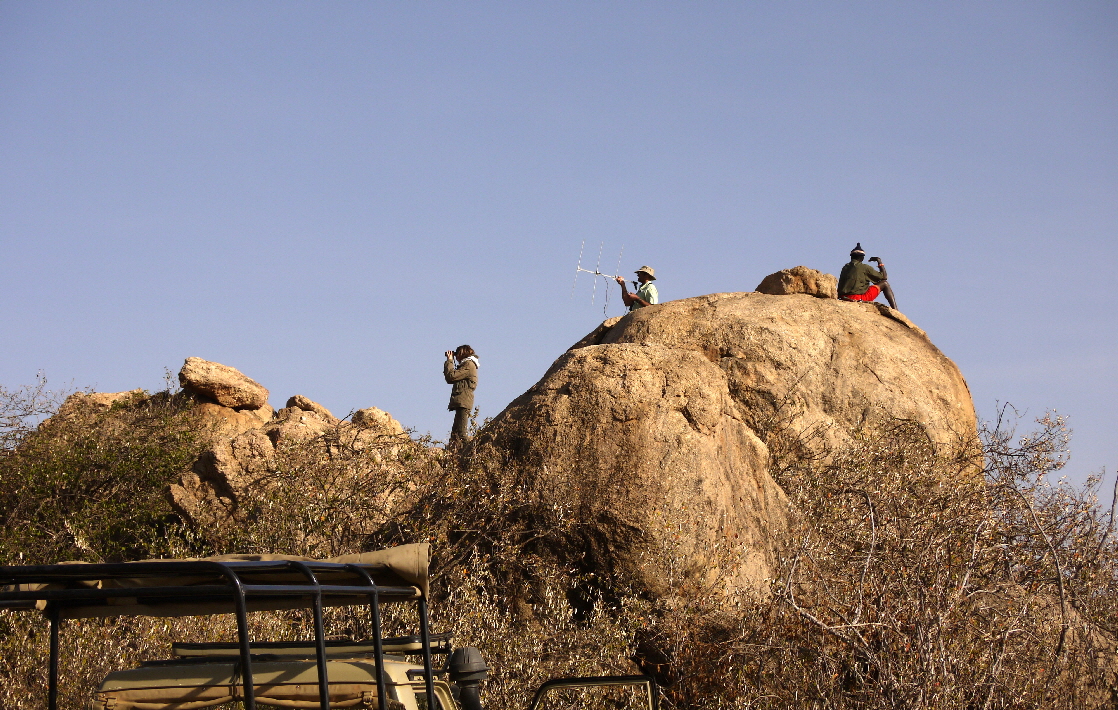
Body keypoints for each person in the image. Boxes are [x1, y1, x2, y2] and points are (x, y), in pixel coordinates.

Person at [838, 243, 897, 309]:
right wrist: (879, 262)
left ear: (851, 257)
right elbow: (884, 277)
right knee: (884, 283)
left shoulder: (845, 267)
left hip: (844, 297)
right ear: (862, 258)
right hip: (858, 298)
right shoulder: (865, 267)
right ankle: (895, 310)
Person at [443, 345, 479, 447]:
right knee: (455, 435)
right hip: (462, 401)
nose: (456, 357)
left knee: (461, 434)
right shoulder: (467, 364)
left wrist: (450, 360)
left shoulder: (469, 364)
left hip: (464, 401)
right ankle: (454, 455)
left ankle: (469, 454)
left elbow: (451, 376)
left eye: (457, 354)